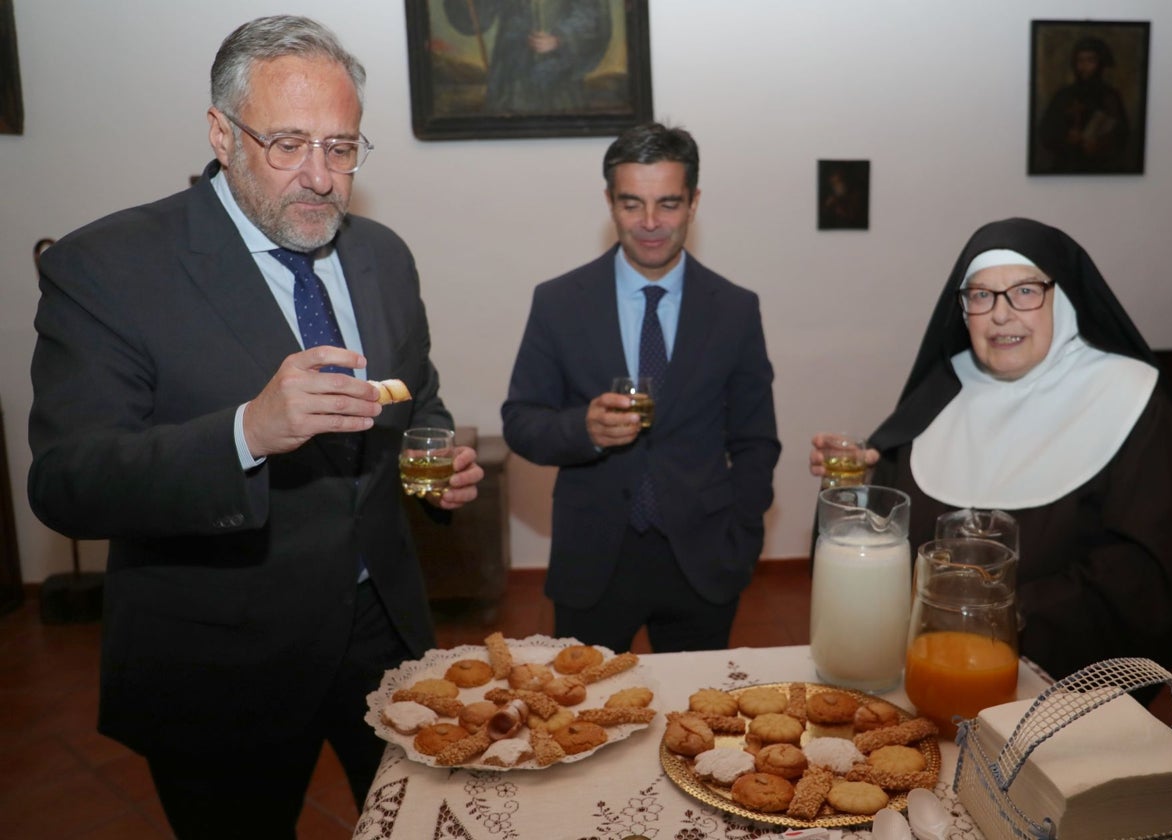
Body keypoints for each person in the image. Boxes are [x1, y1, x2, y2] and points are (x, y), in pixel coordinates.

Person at [27, 15, 483, 838]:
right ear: (221, 132)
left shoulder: (383, 254)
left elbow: (418, 394)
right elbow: (68, 482)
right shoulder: (107, 266)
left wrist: (438, 458)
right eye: (287, 143)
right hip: (221, 654)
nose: (319, 177)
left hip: (386, 630)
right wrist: (247, 431)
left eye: (341, 148)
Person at [810, 217, 1172, 684]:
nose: (1000, 314)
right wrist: (855, 487)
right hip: (927, 673)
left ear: (1066, 300)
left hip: (1061, 689)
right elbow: (881, 543)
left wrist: (994, 615)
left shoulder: (1132, 399)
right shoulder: (940, 393)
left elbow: (1143, 578)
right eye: (980, 295)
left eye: (1025, 291)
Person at [502, 122, 780, 654]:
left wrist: (741, 541)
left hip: (704, 561)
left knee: (698, 726)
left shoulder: (735, 309)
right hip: (594, 561)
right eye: (632, 204)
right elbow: (521, 421)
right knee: (585, 722)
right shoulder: (559, 302)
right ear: (609, 202)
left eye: (668, 204)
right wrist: (582, 428)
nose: (650, 223)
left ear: (694, 203)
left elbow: (755, 441)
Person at [443, 0, 612, 113]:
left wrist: (560, 38)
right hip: (509, 75)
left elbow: (593, 16)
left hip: (557, 75)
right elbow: (477, 19)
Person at [1037, 36, 1133, 173]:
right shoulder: (1063, 95)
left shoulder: (1111, 97)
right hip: (1066, 169)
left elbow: (1122, 136)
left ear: (1100, 63)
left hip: (1103, 171)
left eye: (1090, 60)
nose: (1084, 67)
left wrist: (1101, 144)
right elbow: (1045, 132)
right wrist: (1066, 136)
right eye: (1080, 61)